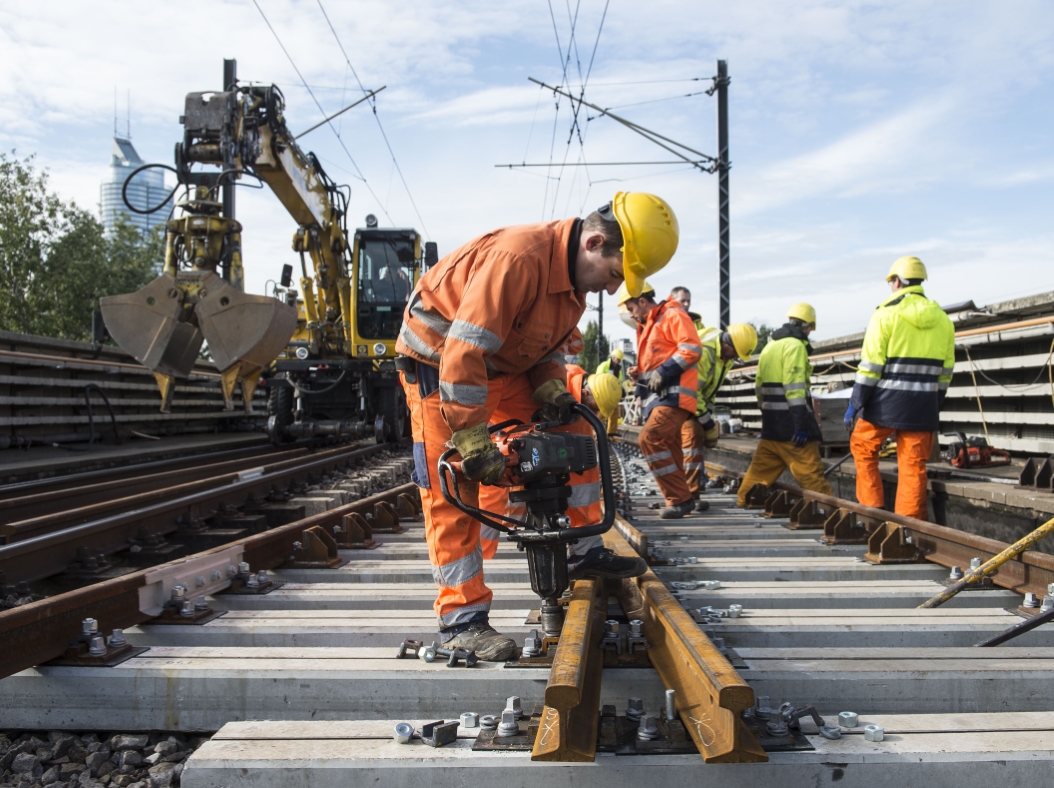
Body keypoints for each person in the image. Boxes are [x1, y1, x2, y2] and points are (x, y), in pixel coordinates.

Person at [396, 192, 679, 660]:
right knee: (456, 488)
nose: (614, 291)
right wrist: (470, 437)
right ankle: (461, 621)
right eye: (614, 275)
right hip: (440, 368)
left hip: (505, 369)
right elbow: (462, 354)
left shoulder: (573, 289)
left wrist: (550, 387)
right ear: (592, 243)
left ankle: (583, 550)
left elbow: (545, 349)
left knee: (574, 430)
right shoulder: (518, 258)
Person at [845, 256, 955, 521]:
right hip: (923, 404)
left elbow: (871, 366)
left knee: (862, 446)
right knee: (913, 464)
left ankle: (872, 513)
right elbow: (946, 371)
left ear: (897, 281)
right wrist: (934, 402)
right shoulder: (942, 320)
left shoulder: (885, 314)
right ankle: (909, 526)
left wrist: (856, 402)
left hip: (885, 403)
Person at [481, 366, 624, 558]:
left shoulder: (578, 411)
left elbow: (583, 480)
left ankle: (582, 548)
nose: (593, 414)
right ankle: (482, 557)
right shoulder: (553, 377)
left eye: (596, 411)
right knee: (491, 497)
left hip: (518, 443)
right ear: (585, 391)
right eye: (593, 407)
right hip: (497, 436)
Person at [619, 281, 703, 519]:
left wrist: (663, 372)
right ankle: (679, 499)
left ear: (642, 302)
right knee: (670, 446)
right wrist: (640, 372)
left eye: (631, 308)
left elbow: (692, 348)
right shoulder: (651, 323)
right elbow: (660, 358)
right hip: (661, 398)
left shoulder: (672, 315)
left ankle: (681, 499)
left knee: (651, 438)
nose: (630, 313)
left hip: (673, 396)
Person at [737, 303, 833, 506]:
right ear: (808, 326)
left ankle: (744, 501)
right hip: (792, 428)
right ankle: (828, 511)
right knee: (812, 476)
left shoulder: (770, 347)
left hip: (772, 428)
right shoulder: (796, 346)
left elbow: (759, 388)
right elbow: (795, 389)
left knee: (758, 474)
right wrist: (800, 426)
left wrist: (767, 421)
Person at [686, 323, 758, 511]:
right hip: (682, 400)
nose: (735, 358)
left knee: (695, 441)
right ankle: (687, 496)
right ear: (728, 344)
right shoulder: (706, 352)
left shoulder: (724, 358)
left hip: (693, 402)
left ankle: (689, 492)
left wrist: (706, 416)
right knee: (692, 440)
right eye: (736, 353)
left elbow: (709, 390)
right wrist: (706, 421)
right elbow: (693, 390)